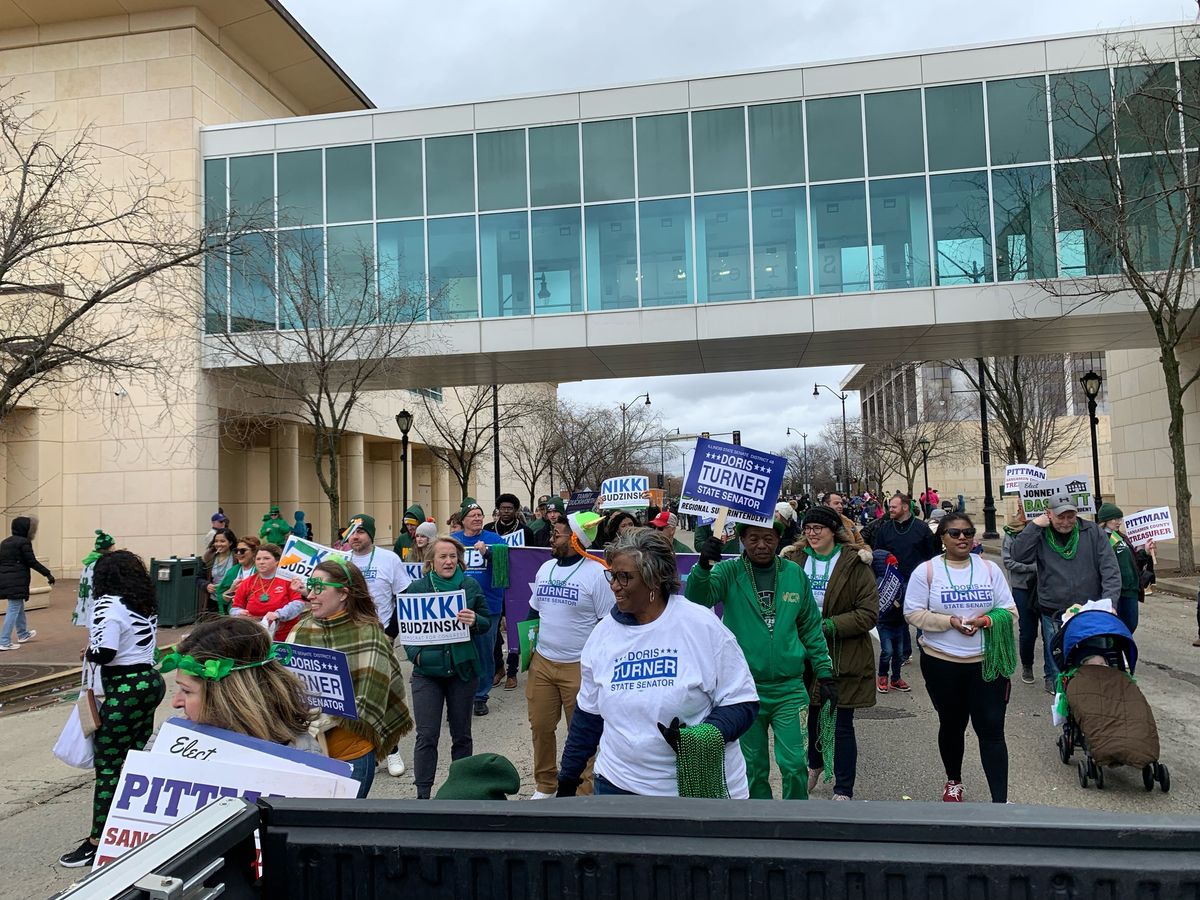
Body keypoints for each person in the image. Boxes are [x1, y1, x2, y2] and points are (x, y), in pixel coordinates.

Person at [558, 528, 759, 798]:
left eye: (624, 577)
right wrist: (567, 779)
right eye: (612, 575)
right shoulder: (602, 635)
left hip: (697, 791)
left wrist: (703, 736)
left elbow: (743, 703)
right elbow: (587, 719)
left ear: (655, 579)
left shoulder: (701, 625)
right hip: (618, 787)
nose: (614, 585)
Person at [685, 519, 835, 800]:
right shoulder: (729, 572)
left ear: (778, 539)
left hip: (790, 688)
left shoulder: (793, 574)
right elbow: (697, 599)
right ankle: (761, 822)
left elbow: (811, 627)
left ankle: (796, 823)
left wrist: (824, 671)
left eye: (768, 538)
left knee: (794, 765)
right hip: (743, 690)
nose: (761, 545)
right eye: (753, 538)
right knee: (753, 767)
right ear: (742, 539)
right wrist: (703, 567)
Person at [58, 550, 163, 868]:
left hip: (124, 689)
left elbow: (105, 652)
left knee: (107, 768)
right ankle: (127, 826)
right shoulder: (142, 602)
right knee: (132, 761)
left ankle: (97, 841)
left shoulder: (106, 605)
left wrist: (90, 650)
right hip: (149, 682)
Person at [904, 513, 1017, 803]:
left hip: (987, 663)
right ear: (942, 538)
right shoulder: (926, 571)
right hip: (942, 663)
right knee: (952, 725)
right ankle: (954, 780)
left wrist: (986, 622)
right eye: (954, 533)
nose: (962, 538)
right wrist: (949, 622)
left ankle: (999, 800)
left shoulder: (989, 569)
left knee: (992, 729)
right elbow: (912, 612)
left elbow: (1010, 610)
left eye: (967, 532)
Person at [288, 558, 413, 798]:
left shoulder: (368, 633)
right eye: (310, 586)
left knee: (343, 825)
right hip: (307, 751)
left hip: (352, 751)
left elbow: (371, 700)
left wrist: (326, 714)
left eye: (318, 587)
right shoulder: (301, 629)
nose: (311, 595)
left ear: (343, 593)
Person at [782, 506, 877, 800]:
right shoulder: (791, 561)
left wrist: (825, 626)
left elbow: (867, 613)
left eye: (818, 528)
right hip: (802, 654)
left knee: (841, 721)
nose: (811, 534)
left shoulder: (854, 563)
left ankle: (843, 787)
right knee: (810, 714)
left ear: (832, 531)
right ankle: (815, 764)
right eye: (807, 528)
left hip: (843, 653)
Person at [526, 512, 612, 799]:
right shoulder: (545, 568)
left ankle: (582, 790)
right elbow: (533, 612)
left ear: (576, 539)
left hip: (579, 667)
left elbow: (607, 624)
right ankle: (545, 785)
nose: (551, 538)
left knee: (582, 734)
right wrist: (526, 654)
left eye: (558, 534)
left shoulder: (597, 574)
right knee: (540, 727)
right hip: (543, 663)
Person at [400, 537, 490, 799]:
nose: (449, 561)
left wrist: (475, 620)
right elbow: (408, 630)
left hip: (462, 671)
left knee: (461, 734)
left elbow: (486, 623)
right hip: (427, 674)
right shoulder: (418, 588)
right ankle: (423, 796)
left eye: (453, 556)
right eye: (443, 557)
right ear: (431, 561)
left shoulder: (470, 586)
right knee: (426, 735)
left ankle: (460, 792)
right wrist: (416, 657)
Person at [1010, 495, 1121, 693]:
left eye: (1070, 516)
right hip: (1054, 609)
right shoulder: (1041, 533)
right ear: (1049, 514)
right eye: (1060, 517)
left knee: (1094, 656)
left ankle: (1092, 695)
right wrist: (1035, 526)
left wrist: (1110, 602)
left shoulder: (1092, 531)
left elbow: (1110, 569)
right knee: (1058, 659)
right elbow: (1019, 554)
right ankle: (1060, 691)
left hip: (1090, 609)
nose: (1066, 522)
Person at [163, 615, 320, 750]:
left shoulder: (303, 766)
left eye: (187, 691)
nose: (175, 702)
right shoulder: (168, 736)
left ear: (231, 697)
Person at [342, 513, 412, 777]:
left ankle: (391, 749)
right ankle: (355, 750)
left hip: (379, 637)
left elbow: (403, 597)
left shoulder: (389, 559)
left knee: (381, 695)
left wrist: (392, 633)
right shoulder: (339, 561)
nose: (355, 537)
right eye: (352, 532)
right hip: (345, 637)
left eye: (360, 532)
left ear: (370, 534)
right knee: (350, 699)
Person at [864, 493, 940, 672]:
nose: (890, 509)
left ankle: (926, 649)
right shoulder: (885, 528)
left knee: (922, 615)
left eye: (894, 507)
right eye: (890, 507)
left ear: (905, 507)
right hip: (894, 581)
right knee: (899, 619)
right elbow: (879, 553)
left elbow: (933, 555)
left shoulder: (921, 528)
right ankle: (905, 652)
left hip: (919, 581)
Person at [450, 498, 509, 716]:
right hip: (456, 606)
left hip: (488, 606)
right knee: (459, 651)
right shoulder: (453, 541)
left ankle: (481, 696)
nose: (477, 518)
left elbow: (505, 567)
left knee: (484, 651)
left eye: (480, 515)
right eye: (472, 516)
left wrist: (489, 554)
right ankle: (460, 694)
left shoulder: (494, 539)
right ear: (462, 520)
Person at [485, 493, 534, 689]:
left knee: (515, 626)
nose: (506, 511)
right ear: (498, 510)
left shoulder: (525, 531)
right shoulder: (488, 530)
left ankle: (512, 670)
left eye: (509, 508)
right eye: (502, 508)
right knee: (493, 627)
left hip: (517, 584)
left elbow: (530, 556)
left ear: (516, 510)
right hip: (494, 584)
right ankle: (498, 667)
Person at [230, 542, 305, 640]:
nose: (261, 562)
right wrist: (239, 613)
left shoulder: (288, 580)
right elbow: (234, 608)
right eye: (258, 559)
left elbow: (298, 603)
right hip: (254, 635)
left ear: (277, 561)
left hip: (284, 636)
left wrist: (278, 614)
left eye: (266, 558)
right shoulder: (247, 582)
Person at [0, 515, 54, 651]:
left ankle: (22, 633)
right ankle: (4, 640)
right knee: (13, 608)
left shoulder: (5, 542)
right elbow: (32, 562)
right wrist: (47, 573)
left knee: (18, 606)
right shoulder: (24, 543)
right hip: (17, 579)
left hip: (5, 579)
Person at [1002, 507, 1041, 685]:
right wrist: (1033, 568)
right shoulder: (1012, 533)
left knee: (1051, 631)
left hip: (1045, 586)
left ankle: (1052, 673)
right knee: (1028, 631)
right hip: (1023, 587)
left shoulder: (1047, 531)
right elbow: (1008, 562)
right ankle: (1027, 665)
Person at [1096, 503, 1148, 635]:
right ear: (1105, 520)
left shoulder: (1122, 537)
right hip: (1115, 590)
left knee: (1131, 624)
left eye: (1120, 519)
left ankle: (1123, 648)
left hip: (1131, 589)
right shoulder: (1100, 538)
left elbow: (1133, 561)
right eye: (1115, 519)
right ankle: (1116, 652)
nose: (1119, 522)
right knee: (1115, 626)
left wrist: (1145, 552)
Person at [73, 530, 115, 629]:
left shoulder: (90, 562)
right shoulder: (103, 563)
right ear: (109, 547)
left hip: (89, 600)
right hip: (99, 600)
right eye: (113, 545)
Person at [213, 535, 258, 615]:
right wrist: (231, 590)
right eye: (236, 550)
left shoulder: (260, 570)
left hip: (255, 614)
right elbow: (223, 601)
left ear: (254, 552)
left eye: (242, 550)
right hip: (236, 615)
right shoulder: (233, 571)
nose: (238, 553)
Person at [200, 527, 237, 615]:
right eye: (216, 541)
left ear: (230, 543)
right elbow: (199, 577)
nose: (218, 544)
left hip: (231, 600)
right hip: (214, 600)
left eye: (222, 541)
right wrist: (206, 585)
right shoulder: (208, 557)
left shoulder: (237, 558)